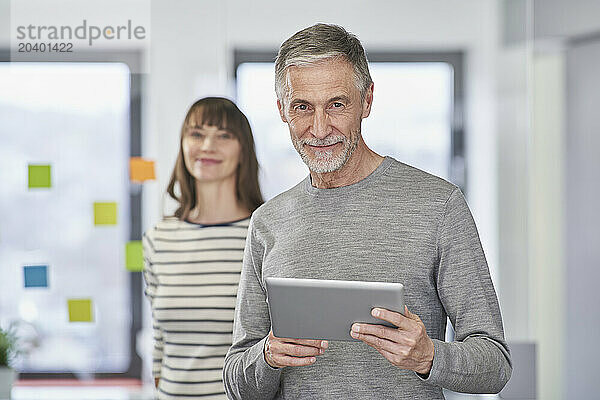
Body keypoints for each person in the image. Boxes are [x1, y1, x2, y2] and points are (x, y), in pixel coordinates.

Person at [223, 24, 512, 399]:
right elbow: (236, 382)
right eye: (302, 107)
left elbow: (495, 365)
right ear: (282, 110)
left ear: (367, 100)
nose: (320, 128)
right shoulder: (268, 222)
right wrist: (266, 356)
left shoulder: (438, 205)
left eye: (337, 104)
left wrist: (428, 356)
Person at [143, 97, 263, 400]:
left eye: (224, 135)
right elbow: (160, 342)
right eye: (197, 134)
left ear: (243, 151)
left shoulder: (264, 235)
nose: (207, 145)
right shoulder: (158, 238)